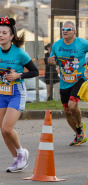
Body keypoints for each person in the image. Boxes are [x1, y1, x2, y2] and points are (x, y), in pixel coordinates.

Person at [0, 17, 39, 172]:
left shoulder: (20, 53)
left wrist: (18, 76)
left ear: (11, 36)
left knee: (7, 128)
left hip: (16, 93)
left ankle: (21, 153)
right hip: (2, 93)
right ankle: (17, 159)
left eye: (4, 33)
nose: (1, 35)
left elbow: (35, 71)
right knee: (3, 130)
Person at [49, 21, 88, 146]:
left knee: (72, 105)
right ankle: (79, 134)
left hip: (79, 78)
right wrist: (51, 61)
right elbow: (52, 61)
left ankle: (80, 125)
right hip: (64, 81)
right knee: (67, 111)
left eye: (68, 29)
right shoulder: (56, 45)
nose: (65, 31)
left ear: (74, 31)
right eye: (63, 29)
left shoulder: (83, 43)